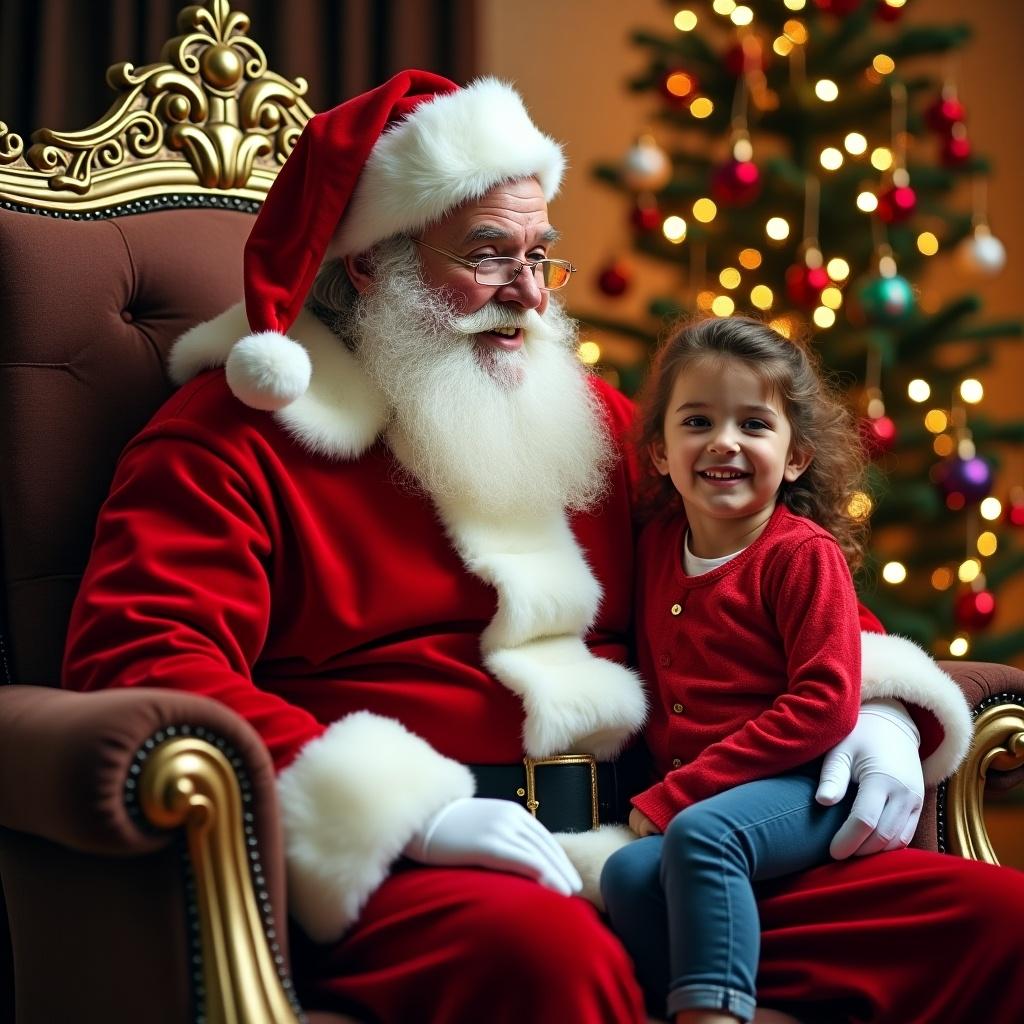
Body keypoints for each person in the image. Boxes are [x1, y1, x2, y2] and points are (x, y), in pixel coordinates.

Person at [60, 70, 1024, 1024]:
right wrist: (414, 812)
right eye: (486, 256)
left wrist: (877, 707)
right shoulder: (228, 440)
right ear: (368, 262)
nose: (526, 294)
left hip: (666, 833)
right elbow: (145, 659)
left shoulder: (593, 419)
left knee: (993, 922)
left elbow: (761, 556)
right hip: (423, 867)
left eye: (540, 256)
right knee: (559, 967)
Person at [601, 316, 887, 1023]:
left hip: (801, 786)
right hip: (707, 795)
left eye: (754, 425)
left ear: (794, 457)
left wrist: (680, 794)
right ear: (661, 453)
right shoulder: (659, 544)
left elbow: (825, 703)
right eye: (697, 420)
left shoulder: (800, 554)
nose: (724, 441)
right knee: (627, 873)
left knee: (703, 836)